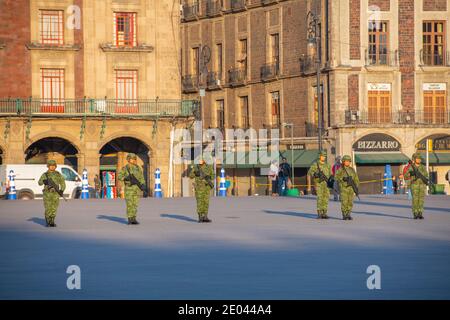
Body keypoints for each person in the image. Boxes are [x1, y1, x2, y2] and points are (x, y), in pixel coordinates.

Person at [118, 153, 145, 225]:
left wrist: (143, 184)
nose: (133, 160)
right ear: (128, 159)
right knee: (129, 204)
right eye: (132, 159)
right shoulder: (125, 168)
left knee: (135, 204)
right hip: (129, 189)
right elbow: (119, 176)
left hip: (136, 189)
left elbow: (141, 177)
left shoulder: (138, 168)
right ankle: (130, 219)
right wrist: (126, 178)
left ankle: (134, 218)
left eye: (134, 159)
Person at [38, 159, 66, 227]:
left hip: (55, 194)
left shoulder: (58, 174)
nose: (52, 167)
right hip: (47, 194)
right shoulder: (45, 174)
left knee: (54, 208)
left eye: (54, 166)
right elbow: (39, 183)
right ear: (48, 166)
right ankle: (48, 221)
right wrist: (44, 181)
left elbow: (63, 183)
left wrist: (62, 190)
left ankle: (52, 221)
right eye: (51, 166)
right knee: (48, 208)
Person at [307, 151, 332, 219]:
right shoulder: (315, 164)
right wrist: (315, 174)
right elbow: (310, 172)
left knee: (326, 198)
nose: (323, 157)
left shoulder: (328, 165)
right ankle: (319, 213)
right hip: (319, 184)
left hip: (326, 185)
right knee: (320, 198)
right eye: (322, 156)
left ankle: (324, 213)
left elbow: (330, 175)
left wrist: (331, 182)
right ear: (319, 156)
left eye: (324, 156)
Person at [404, 153, 428, 220]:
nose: (419, 160)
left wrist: (422, 176)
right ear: (414, 159)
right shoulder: (411, 167)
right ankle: (415, 213)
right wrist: (411, 173)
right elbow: (405, 176)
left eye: (420, 159)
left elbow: (426, 175)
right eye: (417, 158)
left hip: (422, 185)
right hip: (414, 185)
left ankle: (420, 213)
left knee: (421, 200)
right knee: (415, 200)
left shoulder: (423, 167)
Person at [335, 155, 360, 221]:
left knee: (350, 202)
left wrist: (356, 186)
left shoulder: (352, 169)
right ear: (343, 162)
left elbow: (356, 178)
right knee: (344, 202)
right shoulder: (340, 169)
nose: (348, 162)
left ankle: (348, 214)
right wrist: (343, 179)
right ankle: (344, 214)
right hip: (344, 188)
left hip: (351, 188)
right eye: (346, 161)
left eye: (349, 161)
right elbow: (336, 177)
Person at [189, 157, 214, 223]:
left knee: (206, 202)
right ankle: (200, 217)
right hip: (199, 188)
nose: (200, 161)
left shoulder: (209, 167)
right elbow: (191, 176)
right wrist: (195, 173)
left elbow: (213, 175)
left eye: (202, 159)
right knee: (199, 202)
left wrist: (209, 177)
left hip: (206, 188)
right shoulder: (196, 167)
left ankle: (205, 216)